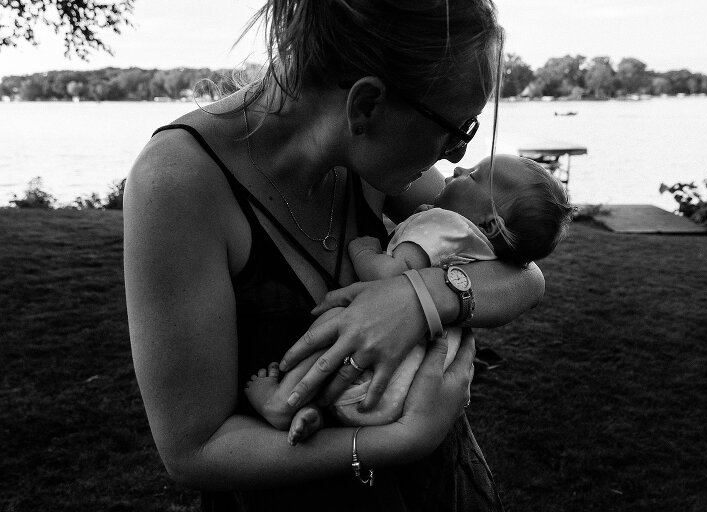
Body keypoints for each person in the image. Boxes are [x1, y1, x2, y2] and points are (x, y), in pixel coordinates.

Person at [124, 1, 546, 510]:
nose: (457, 155)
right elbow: (195, 450)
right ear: (366, 105)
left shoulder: (371, 158)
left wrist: (421, 298)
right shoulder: (179, 182)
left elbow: (525, 277)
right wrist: (399, 440)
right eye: (456, 128)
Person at [244, 154, 573, 444]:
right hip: (405, 390)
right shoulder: (486, 249)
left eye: (473, 175)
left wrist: (364, 251)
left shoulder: (445, 223)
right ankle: (316, 413)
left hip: (379, 376)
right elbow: (526, 274)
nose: (459, 167)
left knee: (335, 322)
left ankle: (282, 400)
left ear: (490, 223)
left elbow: (389, 275)